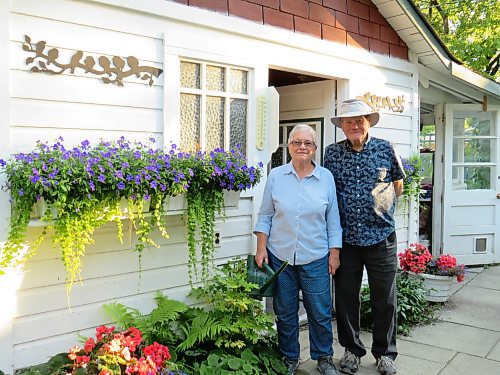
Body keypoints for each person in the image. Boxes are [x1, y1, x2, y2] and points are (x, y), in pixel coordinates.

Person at [324, 99, 404, 375]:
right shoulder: (331, 153)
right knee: (346, 300)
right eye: (349, 121)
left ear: (369, 121)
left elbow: (398, 185)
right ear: (342, 126)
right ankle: (351, 351)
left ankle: (385, 354)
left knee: (385, 299)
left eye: (360, 120)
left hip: (381, 236)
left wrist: (382, 208)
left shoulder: (385, 148)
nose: (355, 125)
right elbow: (328, 194)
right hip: (346, 240)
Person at [254, 123, 343, 375]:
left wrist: (334, 253)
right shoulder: (276, 176)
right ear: (289, 147)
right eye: (297, 142)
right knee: (284, 312)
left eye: (308, 143)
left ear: (315, 149)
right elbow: (265, 215)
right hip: (280, 256)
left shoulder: (325, 178)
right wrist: (261, 248)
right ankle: (289, 357)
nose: (302, 147)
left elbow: (333, 219)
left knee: (320, 310)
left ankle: (324, 357)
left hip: (316, 256)